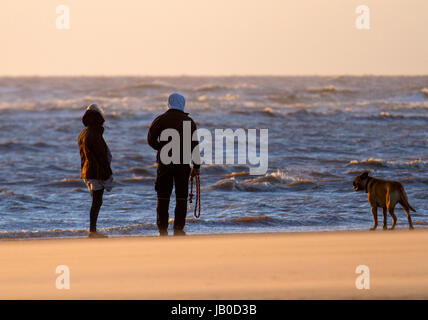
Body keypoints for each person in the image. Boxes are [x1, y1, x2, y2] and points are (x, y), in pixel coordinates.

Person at [147, 93, 200, 236]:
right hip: (182, 164)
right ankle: (178, 229)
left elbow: (150, 139)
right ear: (183, 103)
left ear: (169, 103)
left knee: (163, 196)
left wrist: (162, 148)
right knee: (181, 197)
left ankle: (162, 230)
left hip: (165, 163)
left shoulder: (160, 120)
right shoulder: (189, 121)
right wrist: (196, 166)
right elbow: (195, 146)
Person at [78, 104, 113, 238]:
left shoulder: (84, 132)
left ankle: (93, 230)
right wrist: (108, 173)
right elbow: (101, 156)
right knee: (97, 201)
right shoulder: (94, 133)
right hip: (95, 172)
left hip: (87, 171)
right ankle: (93, 231)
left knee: (96, 201)